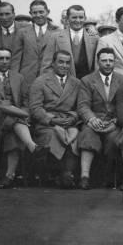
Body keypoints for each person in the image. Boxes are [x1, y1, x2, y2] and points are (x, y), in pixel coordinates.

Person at [0, 47, 48, 188]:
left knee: (13, 135)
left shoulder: (18, 77)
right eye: (0, 58)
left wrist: (23, 112)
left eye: (7, 58)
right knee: (13, 116)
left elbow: (26, 102)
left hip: (11, 124)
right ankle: (32, 146)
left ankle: (9, 176)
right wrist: (5, 106)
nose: (4, 61)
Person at [76, 48, 123, 189]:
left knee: (114, 139)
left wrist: (116, 122)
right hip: (94, 121)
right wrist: (91, 119)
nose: (107, 63)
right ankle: (84, 176)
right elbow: (83, 105)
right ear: (98, 62)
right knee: (87, 135)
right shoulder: (87, 80)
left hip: (113, 122)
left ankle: (110, 177)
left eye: (111, 60)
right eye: (104, 60)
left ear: (115, 62)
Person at [29, 50, 81, 188]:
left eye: (67, 63)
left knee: (75, 138)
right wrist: (52, 120)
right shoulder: (40, 81)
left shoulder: (76, 83)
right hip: (47, 124)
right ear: (53, 63)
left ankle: (68, 173)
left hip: (68, 123)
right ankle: (62, 174)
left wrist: (73, 118)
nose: (64, 65)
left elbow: (81, 107)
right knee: (53, 136)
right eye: (61, 62)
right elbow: (35, 108)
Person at [11, 0, 61, 86]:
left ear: (47, 12)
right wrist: (14, 79)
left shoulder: (58, 32)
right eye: (35, 12)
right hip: (26, 78)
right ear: (30, 13)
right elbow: (16, 59)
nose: (38, 15)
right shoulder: (22, 32)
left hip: (50, 78)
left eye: (41, 12)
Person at [41, 4, 98, 79]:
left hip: (87, 85)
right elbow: (47, 65)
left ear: (85, 18)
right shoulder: (55, 37)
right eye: (74, 17)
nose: (78, 20)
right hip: (63, 84)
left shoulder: (94, 38)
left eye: (81, 17)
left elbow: (97, 66)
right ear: (67, 19)